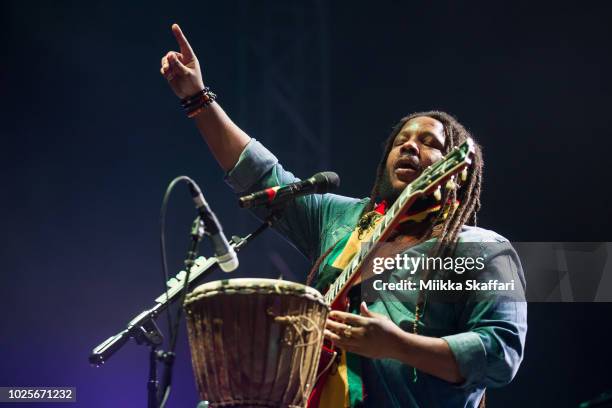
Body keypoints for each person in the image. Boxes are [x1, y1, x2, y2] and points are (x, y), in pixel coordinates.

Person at [160, 23, 527, 408]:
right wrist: (198, 99)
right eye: (400, 142)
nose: (409, 147)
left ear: (455, 172)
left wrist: (397, 345)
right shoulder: (342, 218)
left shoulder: (481, 248)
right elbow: (261, 174)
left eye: (429, 142)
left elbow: (499, 352)